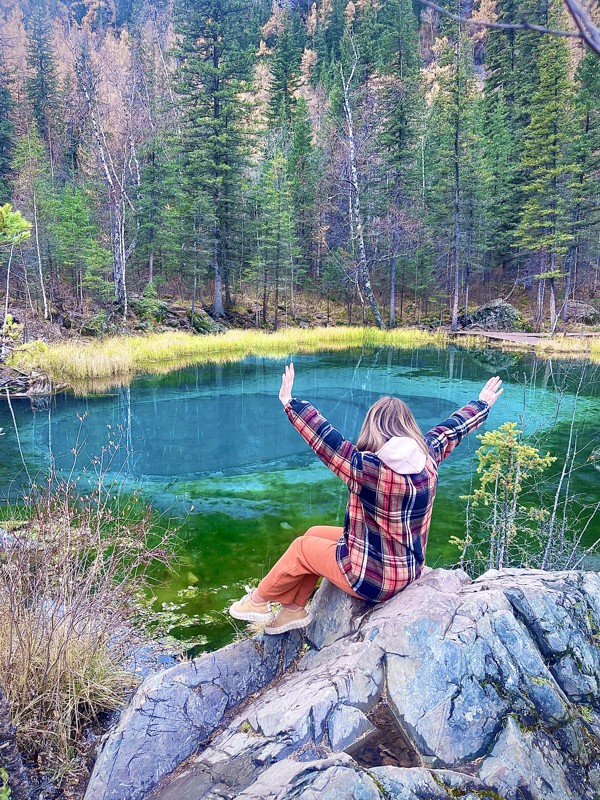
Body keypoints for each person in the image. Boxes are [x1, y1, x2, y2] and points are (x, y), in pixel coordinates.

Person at [230, 363, 503, 634]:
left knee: (302, 548)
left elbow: (325, 439)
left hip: (372, 579)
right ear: (407, 426)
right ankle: (294, 609)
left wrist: (290, 402)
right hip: (408, 568)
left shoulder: (367, 470)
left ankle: (258, 601)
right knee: (315, 533)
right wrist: (481, 404)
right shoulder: (428, 456)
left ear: (375, 429)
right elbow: (452, 429)